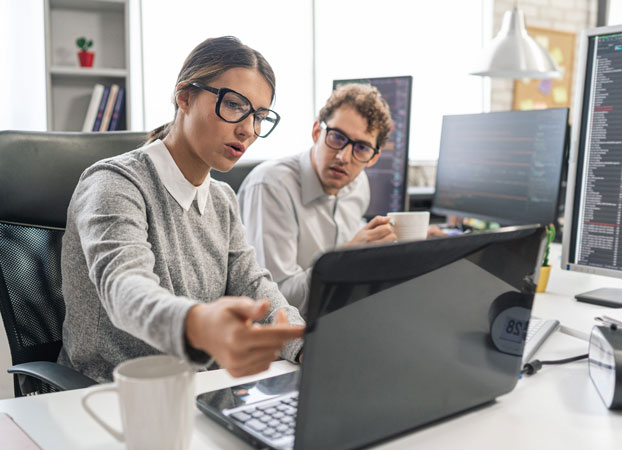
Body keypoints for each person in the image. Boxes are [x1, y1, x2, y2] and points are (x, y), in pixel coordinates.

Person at [58, 36, 304, 383]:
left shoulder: (221, 199)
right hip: (108, 394)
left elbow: (253, 284)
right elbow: (126, 289)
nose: (248, 130)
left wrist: (304, 342)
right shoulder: (113, 183)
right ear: (184, 97)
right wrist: (198, 325)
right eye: (234, 105)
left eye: (260, 116)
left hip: (200, 388)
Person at [238, 84, 398, 314]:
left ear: (373, 158)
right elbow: (271, 300)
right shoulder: (271, 185)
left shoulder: (358, 182)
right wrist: (344, 260)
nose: (344, 157)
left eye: (361, 148)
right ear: (316, 132)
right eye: (337, 137)